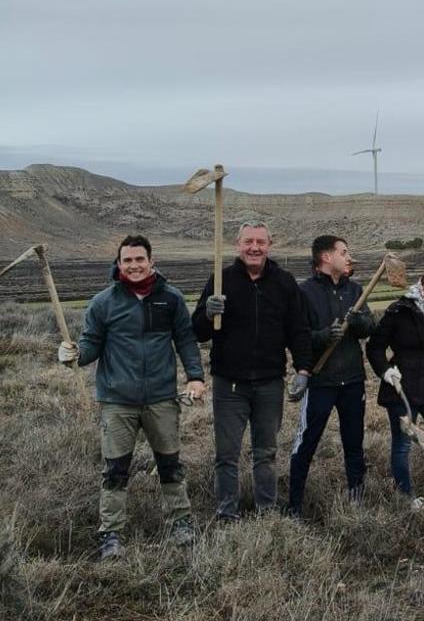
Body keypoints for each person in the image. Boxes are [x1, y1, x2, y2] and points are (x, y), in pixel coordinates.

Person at [58, 235, 205, 558]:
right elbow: (90, 346)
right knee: (114, 470)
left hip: (162, 398)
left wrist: (195, 376)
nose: (134, 266)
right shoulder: (103, 303)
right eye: (127, 260)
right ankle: (110, 533)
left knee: (170, 464)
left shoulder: (172, 299)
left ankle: (181, 522)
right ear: (119, 263)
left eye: (140, 259)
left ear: (151, 261)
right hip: (117, 401)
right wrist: (73, 354)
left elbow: (185, 340)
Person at [192, 220, 313, 520]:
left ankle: (266, 510)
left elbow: (298, 329)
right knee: (227, 454)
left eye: (260, 242)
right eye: (249, 241)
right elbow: (197, 331)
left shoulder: (284, 282)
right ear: (238, 245)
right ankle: (226, 512)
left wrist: (303, 369)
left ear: (269, 245)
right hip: (228, 383)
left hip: (270, 383)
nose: (254, 247)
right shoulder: (221, 280)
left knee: (266, 453)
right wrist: (208, 313)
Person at [287, 235, 375, 516]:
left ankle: (356, 499)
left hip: (351, 379)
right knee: (307, 442)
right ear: (326, 257)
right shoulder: (304, 293)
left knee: (354, 442)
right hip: (320, 380)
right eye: (344, 252)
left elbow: (368, 327)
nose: (349, 257)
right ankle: (295, 505)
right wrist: (324, 336)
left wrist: (359, 321)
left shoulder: (356, 290)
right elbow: (296, 336)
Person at [367, 268, 424, 508]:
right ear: (421, 285)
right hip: (402, 388)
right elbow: (375, 346)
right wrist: (385, 370)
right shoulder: (401, 309)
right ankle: (406, 496)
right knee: (402, 445)